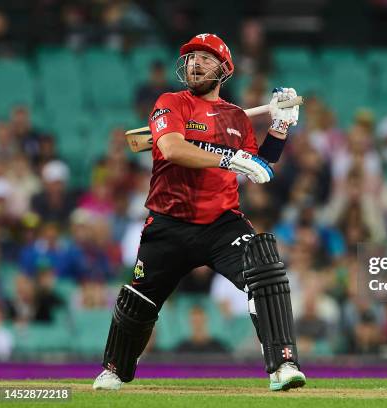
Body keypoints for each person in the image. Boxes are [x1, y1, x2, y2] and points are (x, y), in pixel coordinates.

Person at [92, 33, 305, 392]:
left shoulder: (236, 117)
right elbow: (172, 148)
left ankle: (283, 365)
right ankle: (114, 369)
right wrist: (227, 156)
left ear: (224, 70)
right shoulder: (171, 102)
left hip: (221, 222)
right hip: (168, 221)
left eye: (205, 59)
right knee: (139, 302)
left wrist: (280, 128)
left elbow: (260, 166)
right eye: (190, 58)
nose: (194, 64)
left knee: (265, 269)